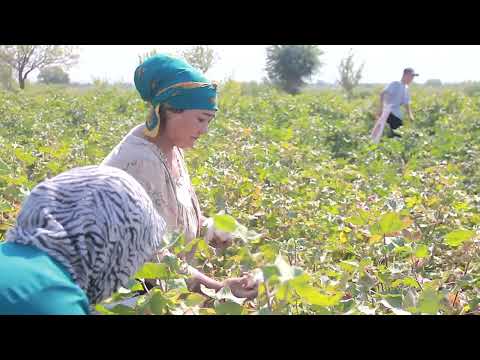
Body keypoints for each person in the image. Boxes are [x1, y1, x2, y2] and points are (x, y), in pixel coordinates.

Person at [0, 166, 256, 315]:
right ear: (110, 246)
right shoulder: (50, 299)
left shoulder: (11, 260)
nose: (130, 272)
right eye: (132, 256)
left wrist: (220, 287)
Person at [102, 55, 237, 266]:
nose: (204, 130)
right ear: (171, 110)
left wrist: (211, 227)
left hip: (166, 287)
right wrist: (219, 287)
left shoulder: (172, 149)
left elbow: (174, 222)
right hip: (126, 292)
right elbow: (151, 258)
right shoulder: (140, 162)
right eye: (201, 119)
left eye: (209, 121)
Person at [377, 67, 419, 138]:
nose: (412, 79)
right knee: (397, 136)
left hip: (397, 115)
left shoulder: (405, 88)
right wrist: (381, 108)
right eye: (411, 76)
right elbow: (383, 94)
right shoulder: (395, 84)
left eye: (413, 77)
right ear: (405, 75)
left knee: (396, 135)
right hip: (389, 113)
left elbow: (406, 103)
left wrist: (410, 115)